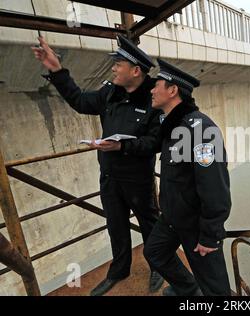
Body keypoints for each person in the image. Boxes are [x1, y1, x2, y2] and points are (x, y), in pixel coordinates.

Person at [31, 35, 164, 296]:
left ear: (135, 71)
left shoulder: (153, 99)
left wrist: (123, 146)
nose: (113, 68)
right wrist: (57, 70)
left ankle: (159, 266)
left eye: (119, 64)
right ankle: (119, 271)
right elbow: (80, 102)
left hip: (138, 180)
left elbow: (155, 142)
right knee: (116, 226)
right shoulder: (110, 92)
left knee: (150, 225)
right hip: (110, 178)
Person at [144, 59, 232, 296]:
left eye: (157, 85)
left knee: (215, 287)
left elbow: (215, 188)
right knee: (154, 253)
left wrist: (210, 236)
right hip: (172, 218)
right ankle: (188, 290)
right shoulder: (172, 126)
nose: (152, 90)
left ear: (172, 90)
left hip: (196, 225)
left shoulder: (202, 130)